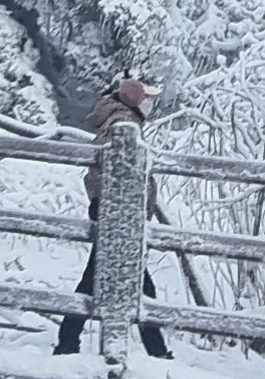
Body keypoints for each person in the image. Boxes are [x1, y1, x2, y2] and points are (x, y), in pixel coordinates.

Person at [53, 73, 175, 360]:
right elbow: (119, 171)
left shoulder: (117, 118)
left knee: (103, 277)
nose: (150, 105)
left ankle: (68, 341)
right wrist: (128, 205)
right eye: (147, 99)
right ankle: (155, 351)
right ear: (136, 100)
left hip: (115, 209)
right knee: (130, 281)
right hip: (119, 211)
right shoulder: (123, 123)